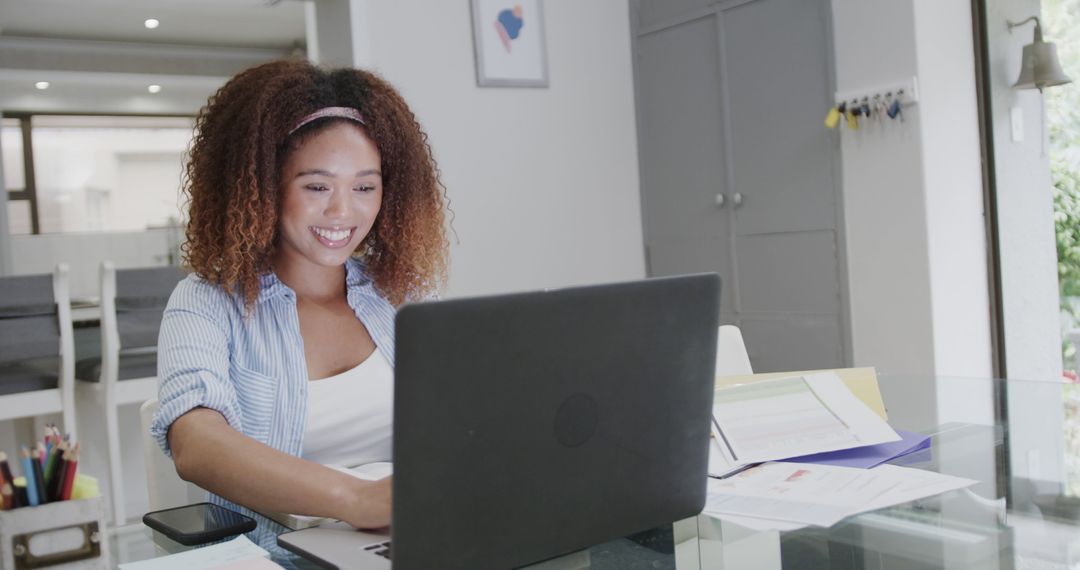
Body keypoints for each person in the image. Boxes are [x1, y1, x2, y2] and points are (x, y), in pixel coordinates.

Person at [150, 58, 449, 531]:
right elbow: (195, 444)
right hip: (278, 554)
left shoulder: (404, 296)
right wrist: (355, 499)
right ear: (263, 188)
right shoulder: (206, 301)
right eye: (316, 185)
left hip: (415, 540)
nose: (342, 210)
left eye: (365, 186)